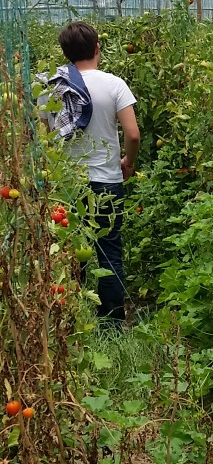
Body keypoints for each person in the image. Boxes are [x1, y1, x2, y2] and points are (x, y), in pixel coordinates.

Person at [53, 21, 140, 324]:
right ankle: (112, 324)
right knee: (109, 252)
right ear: (97, 49)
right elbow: (133, 134)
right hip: (107, 182)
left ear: (65, 52)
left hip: (67, 184)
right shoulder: (114, 84)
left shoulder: (55, 87)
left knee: (70, 252)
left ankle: (72, 318)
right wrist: (127, 162)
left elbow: (46, 137)